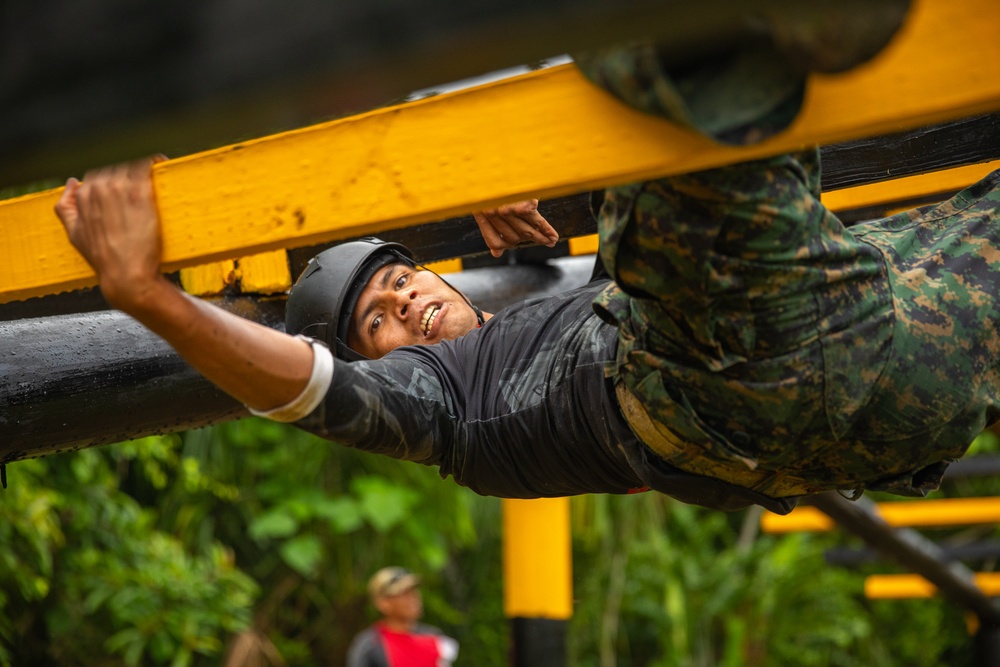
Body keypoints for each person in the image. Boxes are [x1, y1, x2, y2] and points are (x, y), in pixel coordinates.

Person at [54, 42, 1000, 515]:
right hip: (729, 379)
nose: (406, 304)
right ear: (376, 360)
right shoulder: (448, 413)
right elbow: (311, 390)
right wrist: (149, 296)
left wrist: (507, 173)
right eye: (378, 322)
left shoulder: (516, 311)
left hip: (903, 379)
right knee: (652, 86)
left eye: (400, 281)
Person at [346, 567, 458, 667]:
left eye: (414, 591)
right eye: (404, 593)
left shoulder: (432, 636)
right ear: (383, 603)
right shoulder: (370, 645)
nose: (414, 598)